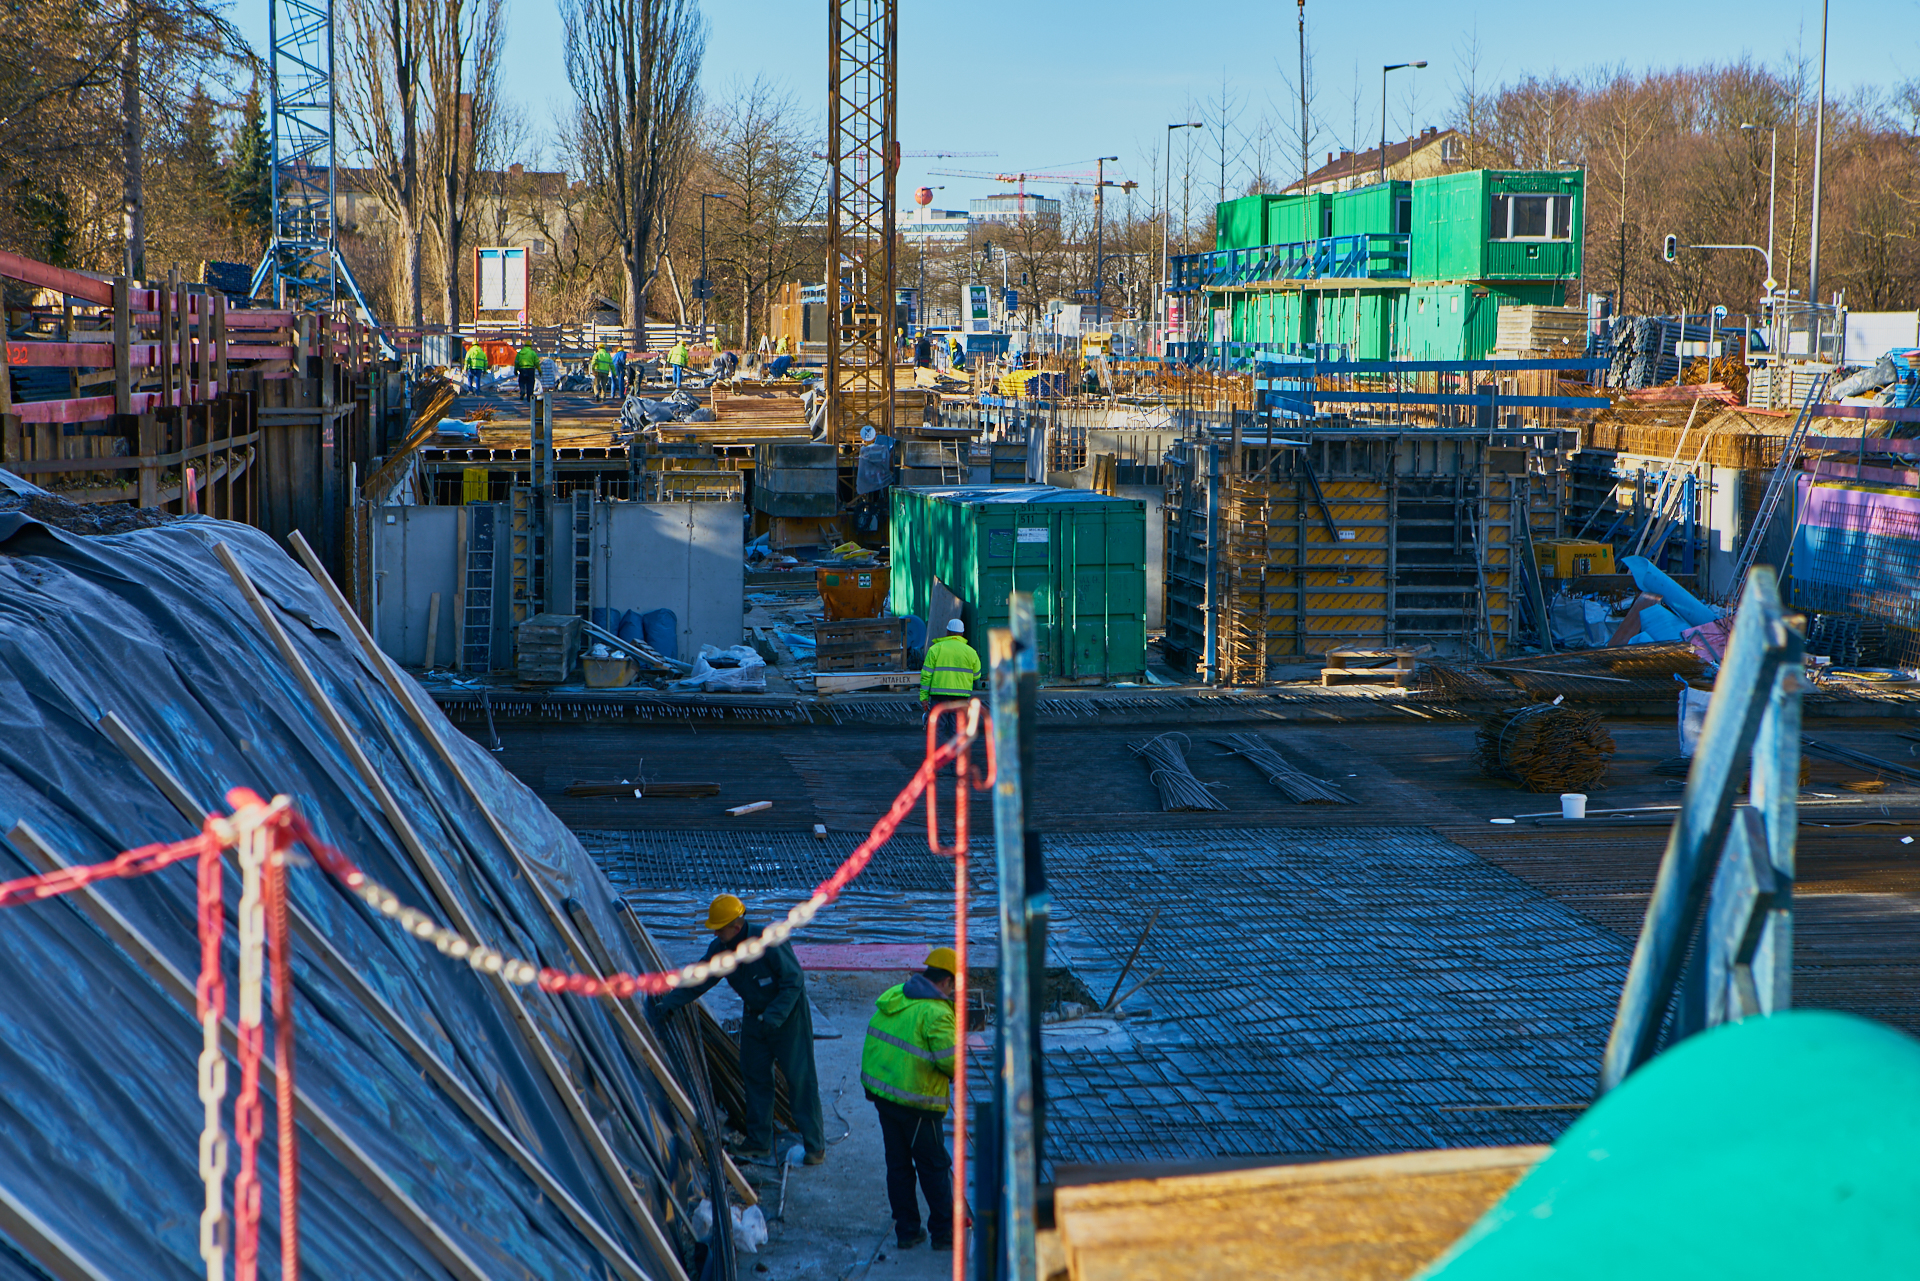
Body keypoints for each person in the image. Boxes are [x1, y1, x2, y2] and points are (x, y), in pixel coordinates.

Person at [651, 894, 827, 1164]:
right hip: (755, 1018)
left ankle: (815, 1146)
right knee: (755, 1076)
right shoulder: (721, 949)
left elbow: (794, 981)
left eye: (720, 928)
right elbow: (701, 978)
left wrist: (774, 1016)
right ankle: (759, 1142)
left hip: (788, 1018)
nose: (716, 933)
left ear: (736, 925)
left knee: (800, 1080)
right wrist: (670, 1003)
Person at [861, 947, 960, 1251]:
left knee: (899, 1165)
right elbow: (951, 1063)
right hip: (916, 1103)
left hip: (884, 1096)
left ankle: (907, 1231)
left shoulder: (897, 995)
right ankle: (944, 1234)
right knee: (934, 1167)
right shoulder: (937, 1013)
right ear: (946, 981)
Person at [919, 618, 980, 717]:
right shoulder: (971, 652)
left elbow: (926, 676)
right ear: (962, 633)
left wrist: (924, 698)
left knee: (937, 728)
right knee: (957, 729)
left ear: (947, 632)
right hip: (961, 696)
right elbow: (976, 675)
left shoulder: (935, 649)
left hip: (938, 696)